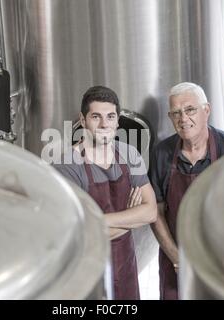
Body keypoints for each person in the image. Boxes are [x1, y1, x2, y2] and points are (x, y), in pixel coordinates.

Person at [53, 85, 157, 300]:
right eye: (96, 117)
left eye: (110, 117)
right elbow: (77, 231)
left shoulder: (130, 154)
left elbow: (150, 212)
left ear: (117, 121)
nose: (104, 124)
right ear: (83, 121)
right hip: (87, 270)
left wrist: (96, 220)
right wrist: (130, 218)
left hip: (126, 267)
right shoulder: (67, 165)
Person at [149, 82, 224, 300]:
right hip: (176, 259)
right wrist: (176, 258)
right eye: (176, 113)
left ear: (206, 110)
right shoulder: (161, 153)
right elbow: (156, 212)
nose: (183, 118)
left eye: (190, 110)